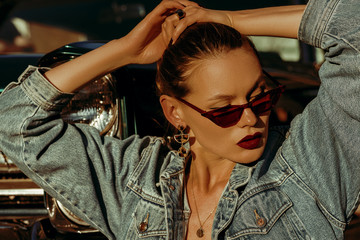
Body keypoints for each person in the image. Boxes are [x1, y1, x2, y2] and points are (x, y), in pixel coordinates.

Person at [0, 0, 359, 239]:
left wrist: (232, 20)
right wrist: (124, 50)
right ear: (176, 112)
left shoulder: (309, 163)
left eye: (261, 97)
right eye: (225, 110)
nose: (251, 118)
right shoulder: (133, 180)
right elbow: (13, 121)